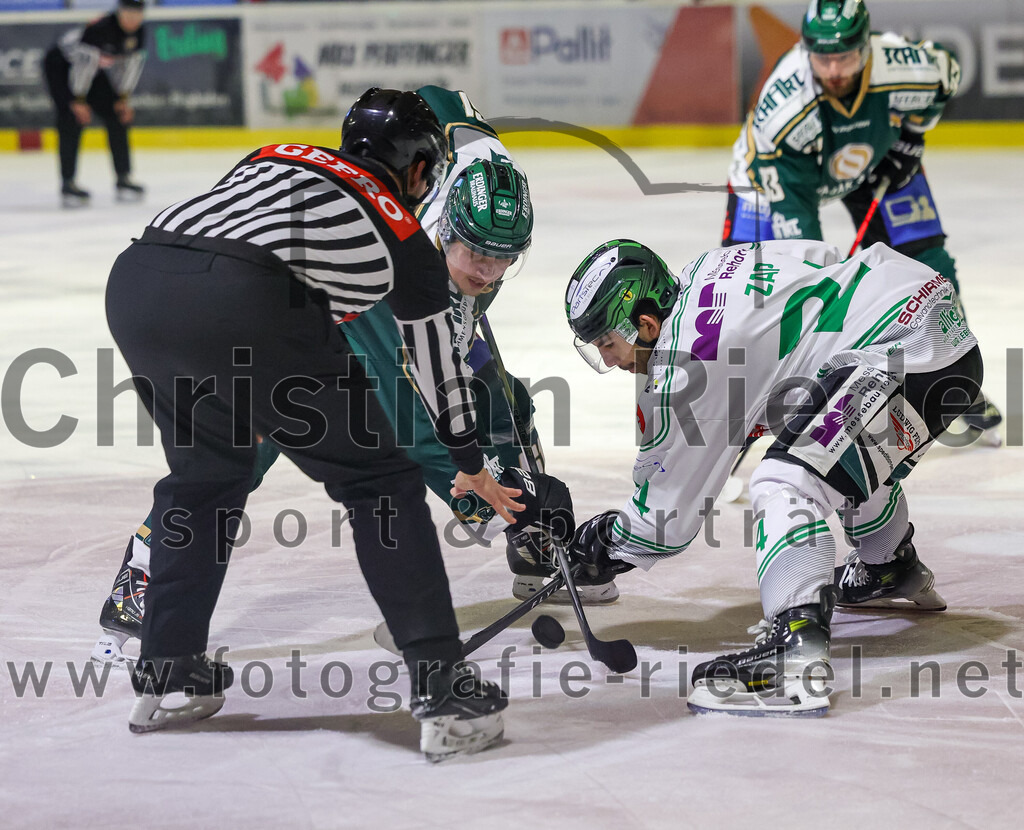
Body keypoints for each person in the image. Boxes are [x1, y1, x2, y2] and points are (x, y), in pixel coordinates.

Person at [104, 87, 572, 761]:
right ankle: (442, 688)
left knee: (208, 478)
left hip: (142, 281)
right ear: (418, 172)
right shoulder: (405, 233)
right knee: (380, 482)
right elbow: (439, 368)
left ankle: (169, 669)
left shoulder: (275, 155)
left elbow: (226, 231)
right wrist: (470, 462)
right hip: (249, 299)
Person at [563, 237, 983, 716]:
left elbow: (665, 522)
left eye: (607, 343)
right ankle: (886, 565)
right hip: (931, 326)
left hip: (904, 352)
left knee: (784, 481)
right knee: (822, 445)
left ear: (645, 323)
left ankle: (796, 655)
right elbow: (822, 259)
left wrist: (603, 543)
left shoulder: (690, 366)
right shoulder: (710, 265)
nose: (610, 359)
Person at [722, 0, 1001, 439]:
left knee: (930, 263)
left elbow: (946, 74)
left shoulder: (902, 65)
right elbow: (804, 249)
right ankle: (751, 409)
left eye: (845, 57)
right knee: (760, 293)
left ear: (867, 48)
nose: (833, 70)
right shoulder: (785, 111)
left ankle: (950, 377)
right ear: (805, 49)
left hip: (876, 162)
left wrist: (909, 141)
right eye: (823, 58)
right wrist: (819, 281)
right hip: (773, 179)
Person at [43, 0, 147, 207]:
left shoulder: (140, 32)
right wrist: (78, 101)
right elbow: (83, 66)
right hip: (62, 67)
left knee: (117, 116)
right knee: (71, 119)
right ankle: (68, 182)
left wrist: (122, 100)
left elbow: (130, 65)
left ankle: (123, 178)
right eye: (128, 15)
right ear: (119, 13)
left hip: (92, 71)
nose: (132, 20)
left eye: (137, 15)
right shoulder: (100, 29)